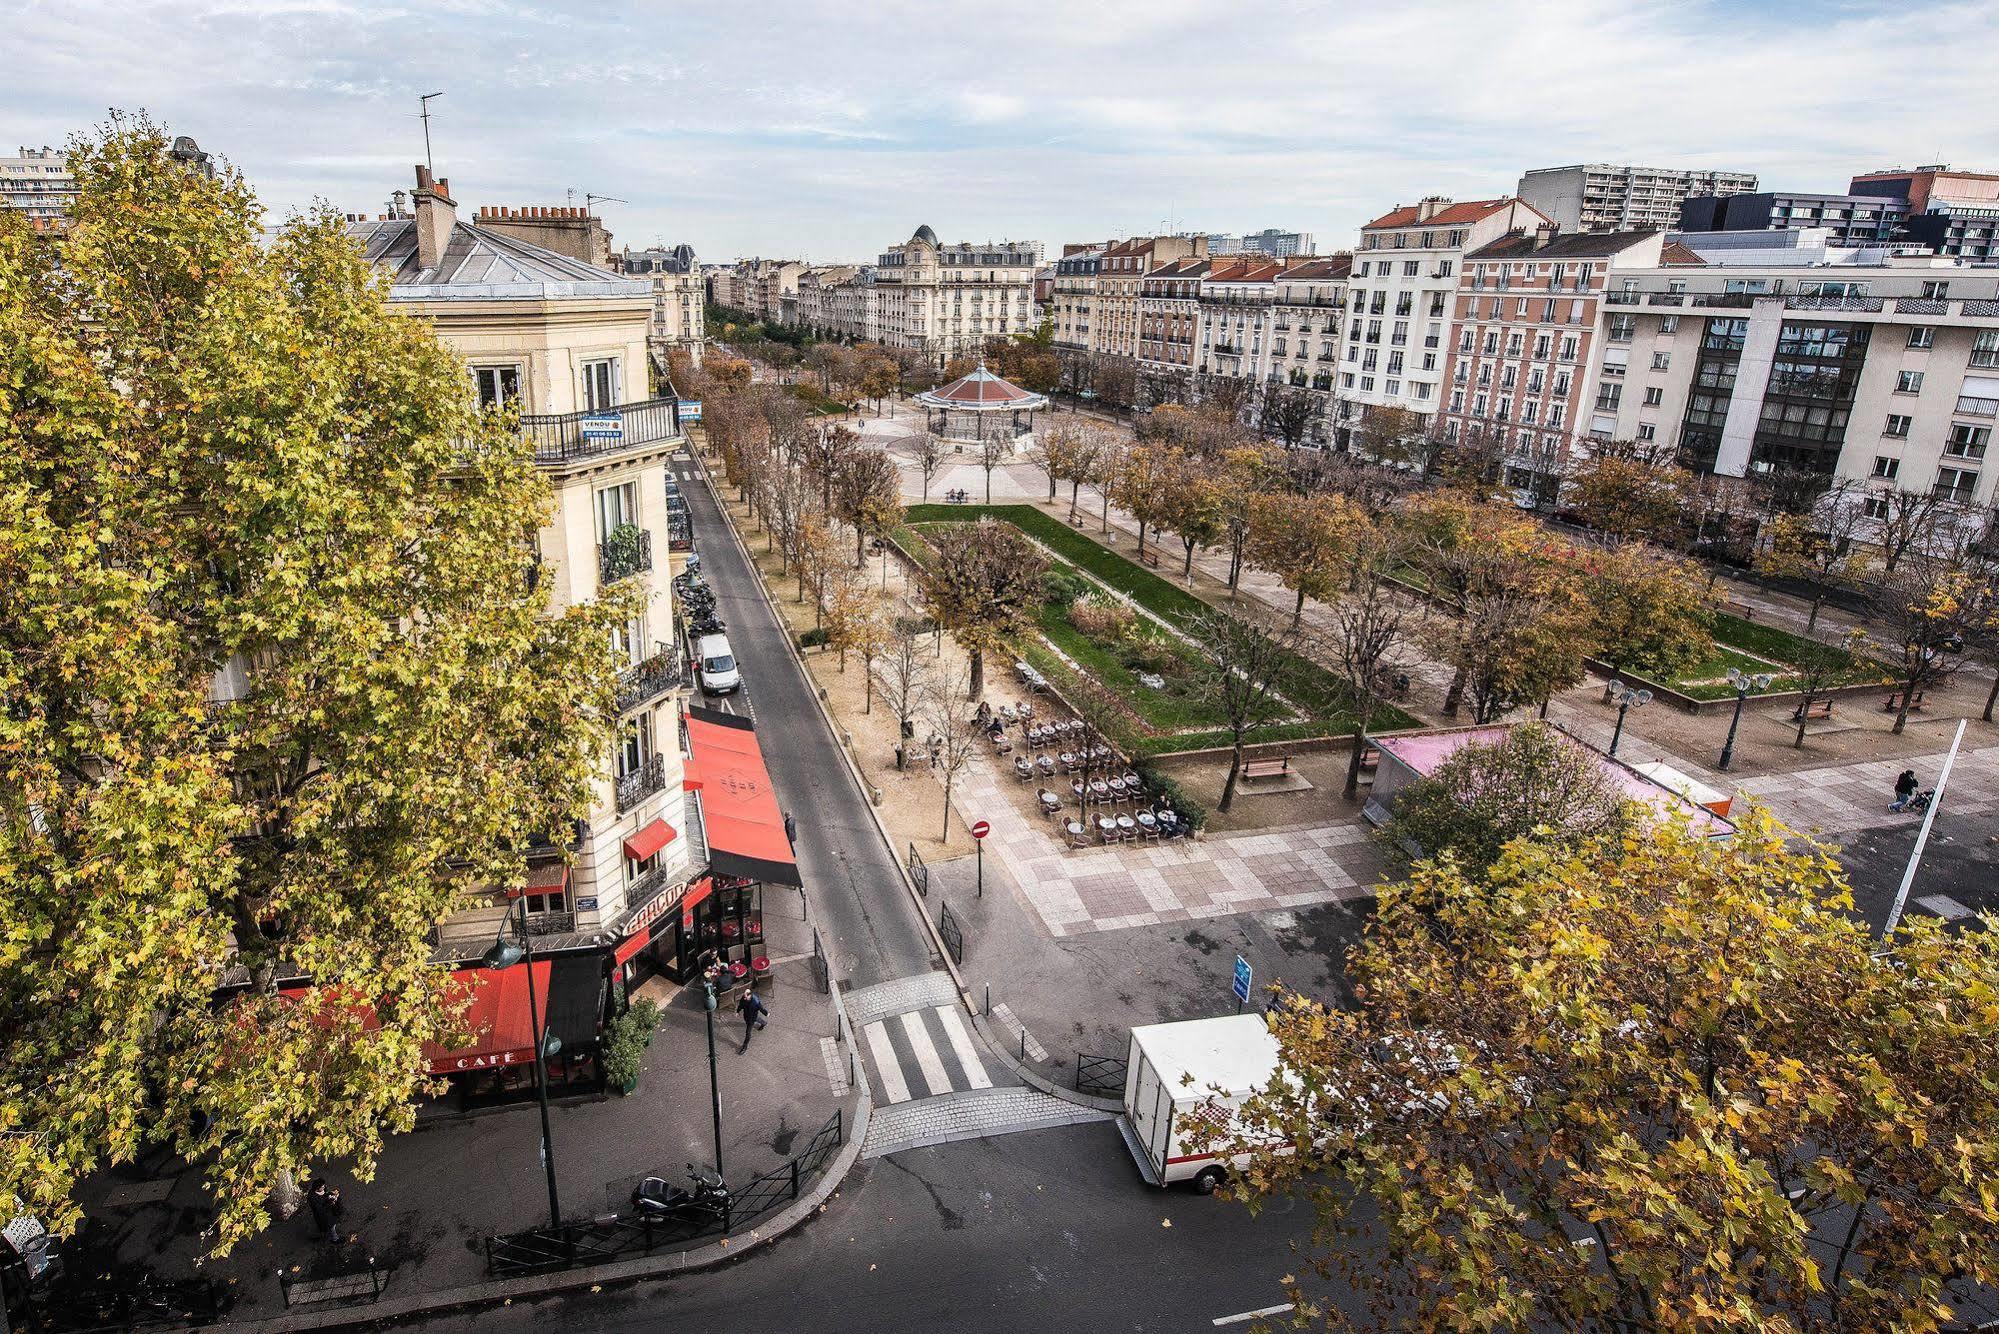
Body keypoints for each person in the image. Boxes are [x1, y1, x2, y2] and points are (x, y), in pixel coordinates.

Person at [306, 1178, 344, 1245]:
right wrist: (329, 1202)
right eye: (322, 1186)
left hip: (330, 1211)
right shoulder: (312, 1197)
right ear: (317, 1188)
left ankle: (325, 1233)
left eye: (324, 1185)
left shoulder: (323, 1189)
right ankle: (335, 1239)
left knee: (332, 1224)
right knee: (330, 1227)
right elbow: (319, 1209)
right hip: (323, 1216)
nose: (324, 1187)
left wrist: (333, 1195)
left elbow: (326, 1194)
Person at [737, 988, 769, 1052]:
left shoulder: (755, 1002)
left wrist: (766, 1013)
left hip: (752, 1018)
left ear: (750, 995)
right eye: (744, 996)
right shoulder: (744, 998)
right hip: (747, 1015)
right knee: (757, 1019)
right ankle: (764, 1023)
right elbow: (741, 1005)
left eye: (745, 997)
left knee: (748, 1033)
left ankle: (744, 1047)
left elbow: (761, 1008)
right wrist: (738, 1011)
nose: (744, 998)